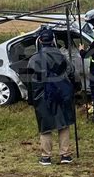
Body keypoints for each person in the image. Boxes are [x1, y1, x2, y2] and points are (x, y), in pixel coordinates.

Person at [27, 27, 76, 166]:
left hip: (43, 95)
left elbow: (30, 81)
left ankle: (46, 157)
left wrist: (32, 98)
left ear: (41, 41)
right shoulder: (62, 56)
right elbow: (71, 73)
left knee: (45, 125)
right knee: (64, 123)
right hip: (62, 93)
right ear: (53, 40)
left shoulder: (34, 59)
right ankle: (65, 155)